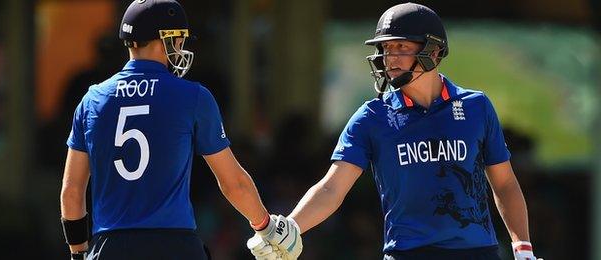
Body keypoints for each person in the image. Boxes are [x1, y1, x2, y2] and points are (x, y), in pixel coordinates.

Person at [249, 3, 541, 260]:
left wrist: (523, 247)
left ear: (434, 51)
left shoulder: (476, 107)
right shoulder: (372, 118)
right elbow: (331, 187)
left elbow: (504, 184)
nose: (390, 58)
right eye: (386, 49)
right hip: (408, 253)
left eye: (401, 47)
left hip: (478, 253)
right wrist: (292, 227)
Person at [59, 1, 273, 259]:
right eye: (179, 39)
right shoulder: (193, 96)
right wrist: (266, 226)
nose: (181, 47)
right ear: (166, 39)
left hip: (111, 247)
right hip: (175, 246)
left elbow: (72, 192)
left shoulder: (92, 100)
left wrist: (78, 253)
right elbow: (233, 184)